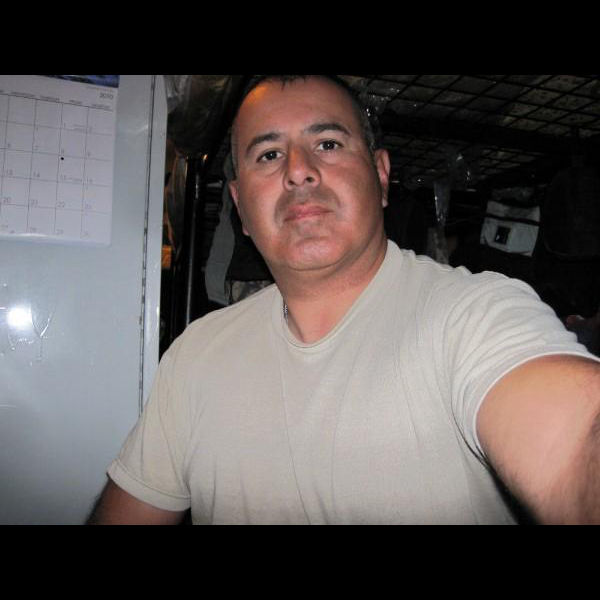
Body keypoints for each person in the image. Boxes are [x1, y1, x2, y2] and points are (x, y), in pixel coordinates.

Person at [87, 75, 600, 525]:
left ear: (381, 176)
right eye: (269, 155)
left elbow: (573, 440)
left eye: (328, 144)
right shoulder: (195, 356)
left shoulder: (475, 316)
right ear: (240, 207)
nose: (298, 170)